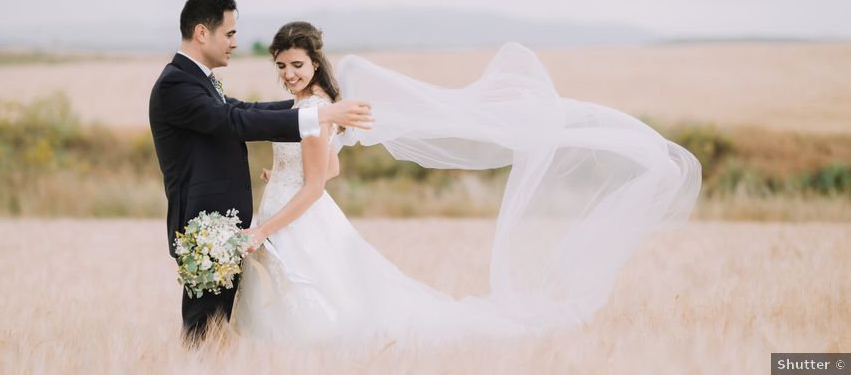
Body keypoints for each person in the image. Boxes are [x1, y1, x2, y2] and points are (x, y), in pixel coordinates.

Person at [231, 20, 702, 347]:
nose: (289, 74)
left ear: (314, 62)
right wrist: (287, 174)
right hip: (289, 202)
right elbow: (327, 171)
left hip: (295, 212)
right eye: (281, 66)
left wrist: (262, 229)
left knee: (322, 298)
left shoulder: (314, 111)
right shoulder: (315, 104)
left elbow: (316, 187)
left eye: (297, 64)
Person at [148, 0, 374, 344]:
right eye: (230, 33)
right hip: (205, 226)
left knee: (218, 329)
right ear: (202, 33)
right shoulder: (177, 83)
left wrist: (312, 103)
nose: (236, 43)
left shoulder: (197, 79)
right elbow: (233, 120)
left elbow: (246, 108)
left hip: (228, 227)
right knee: (202, 331)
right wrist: (318, 113)